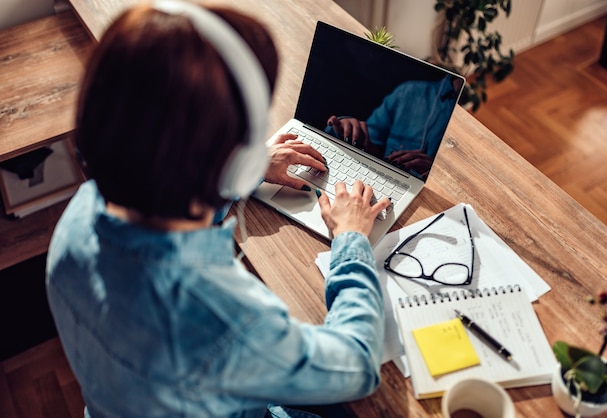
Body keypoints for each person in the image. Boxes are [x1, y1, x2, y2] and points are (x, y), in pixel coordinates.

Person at [45, 1, 390, 418]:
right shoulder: (219, 314)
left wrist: (227, 176)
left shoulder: (79, 218)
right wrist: (351, 240)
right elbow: (356, 366)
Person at [325, 76, 460, 179]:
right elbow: (371, 144)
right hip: (379, 179)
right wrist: (349, 131)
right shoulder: (409, 93)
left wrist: (436, 175)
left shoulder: (473, 123)